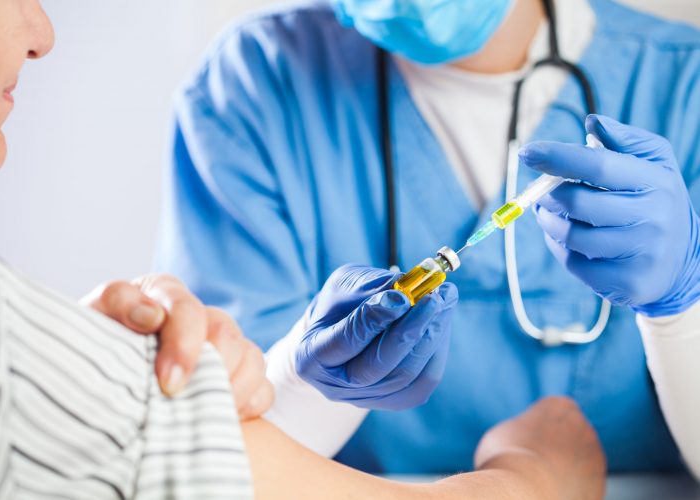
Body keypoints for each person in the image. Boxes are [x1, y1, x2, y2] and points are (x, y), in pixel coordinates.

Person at [0, 0, 607, 498]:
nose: (43, 34)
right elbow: (200, 470)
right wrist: (529, 482)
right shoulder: (259, 80)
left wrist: (86, 364)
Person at [156, 0, 700, 477]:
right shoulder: (256, 84)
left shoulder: (681, 85)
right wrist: (308, 386)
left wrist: (682, 310)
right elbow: (222, 460)